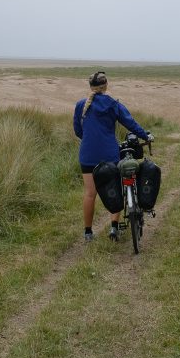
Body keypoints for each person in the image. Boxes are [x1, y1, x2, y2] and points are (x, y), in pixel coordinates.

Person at [73, 70, 152, 242]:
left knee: (89, 193)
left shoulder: (81, 105)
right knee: (115, 190)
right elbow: (130, 123)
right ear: (106, 85)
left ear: (90, 87)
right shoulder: (113, 104)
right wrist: (145, 136)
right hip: (110, 154)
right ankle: (114, 228)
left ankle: (88, 232)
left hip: (87, 155)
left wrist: (90, 140)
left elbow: (78, 131)